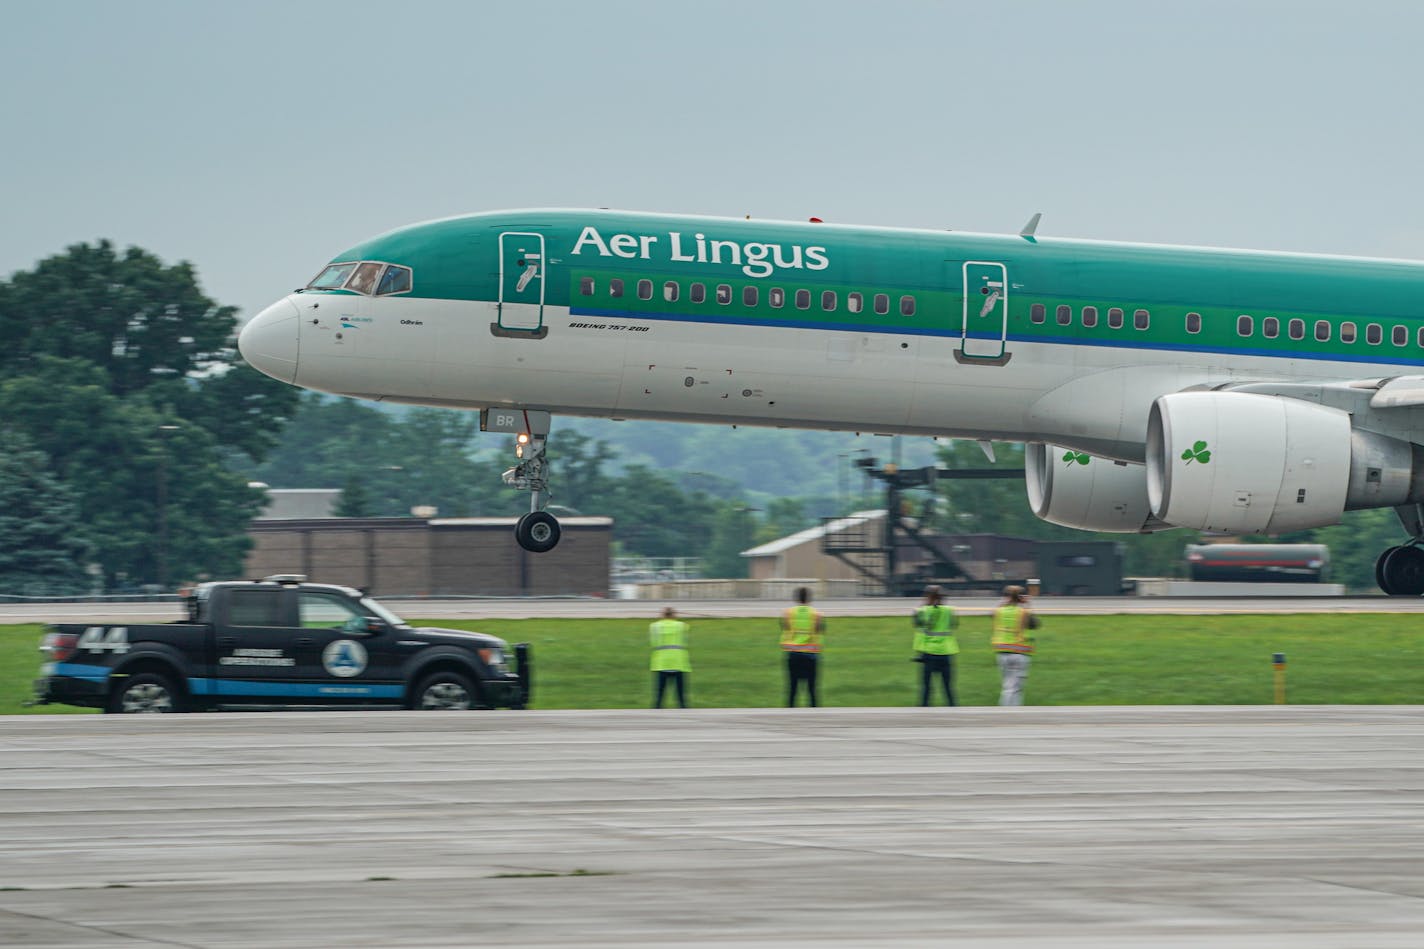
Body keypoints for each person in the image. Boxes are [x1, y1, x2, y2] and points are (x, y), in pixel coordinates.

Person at [912, 585, 958, 706]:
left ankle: (924, 710)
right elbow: (954, 625)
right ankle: (953, 709)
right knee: (948, 688)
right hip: (946, 652)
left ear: (928, 597)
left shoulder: (922, 610)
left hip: (929, 652)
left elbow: (916, 624)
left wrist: (925, 604)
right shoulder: (949, 610)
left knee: (926, 688)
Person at [991, 585, 1035, 706]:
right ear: (1021, 598)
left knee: (1007, 685)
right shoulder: (1023, 612)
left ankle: (1006, 711)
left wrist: (1004, 601)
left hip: (1002, 652)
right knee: (1015, 688)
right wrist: (1027, 605)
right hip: (1019, 653)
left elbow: (992, 614)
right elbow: (1034, 624)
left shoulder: (999, 611)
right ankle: (1011, 712)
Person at [780, 586, 825, 707]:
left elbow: (785, 628)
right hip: (811, 654)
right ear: (809, 599)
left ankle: (789, 714)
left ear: (796, 598)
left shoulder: (788, 613)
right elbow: (819, 630)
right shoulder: (816, 614)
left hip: (793, 653)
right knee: (812, 689)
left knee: (792, 688)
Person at [649, 606, 690, 708]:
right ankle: (683, 707)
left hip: (661, 662)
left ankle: (657, 708)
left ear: (662, 615)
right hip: (678, 661)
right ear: (674, 615)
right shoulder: (681, 626)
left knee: (659, 693)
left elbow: (653, 643)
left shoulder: (655, 626)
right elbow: (685, 641)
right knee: (681, 693)